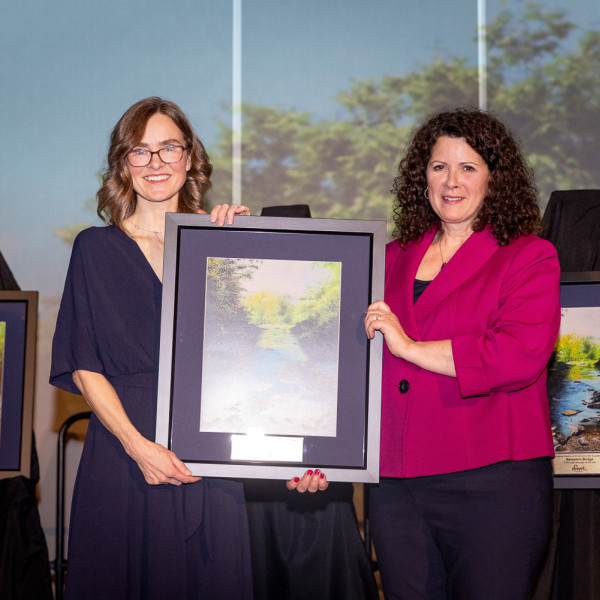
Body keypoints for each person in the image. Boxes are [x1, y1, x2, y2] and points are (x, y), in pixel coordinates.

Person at [50, 97, 253, 600]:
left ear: (190, 159)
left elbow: (258, 356)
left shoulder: (224, 245)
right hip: (123, 458)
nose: (156, 163)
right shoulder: (94, 248)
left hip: (213, 459)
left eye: (169, 148)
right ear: (123, 164)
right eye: (140, 151)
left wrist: (248, 243)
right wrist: (139, 448)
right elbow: (84, 366)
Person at [364, 108, 561, 600]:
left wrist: (409, 347)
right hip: (395, 486)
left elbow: (516, 356)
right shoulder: (386, 257)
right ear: (421, 177)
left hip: (493, 483)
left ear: (495, 179)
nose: (451, 181)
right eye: (438, 167)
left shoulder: (528, 255)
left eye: (468, 167)